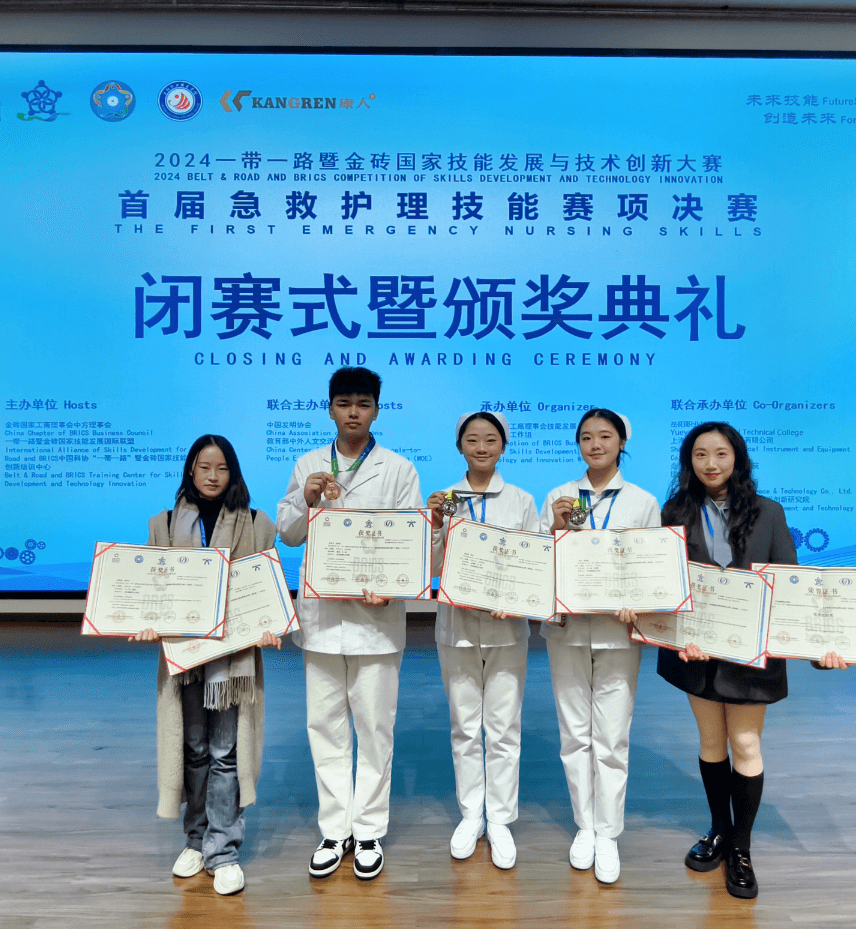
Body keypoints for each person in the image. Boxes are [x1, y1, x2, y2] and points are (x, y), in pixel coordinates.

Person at [657, 421, 846, 900]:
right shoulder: (675, 510)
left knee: (744, 743)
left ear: (737, 458)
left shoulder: (768, 512)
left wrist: (818, 651)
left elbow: (790, 584)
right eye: (700, 454)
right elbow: (666, 583)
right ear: (689, 462)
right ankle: (719, 831)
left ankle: (740, 849)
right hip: (696, 651)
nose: (711, 463)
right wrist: (678, 635)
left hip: (751, 654)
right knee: (710, 742)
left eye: (721, 453)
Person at [276, 367, 424, 881]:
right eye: (344, 403)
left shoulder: (399, 468)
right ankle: (334, 829)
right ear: (330, 409)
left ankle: (368, 831)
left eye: (363, 403)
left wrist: (394, 587)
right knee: (325, 727)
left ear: (377, 409)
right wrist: (306, 498)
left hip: (376, 621)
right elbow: (289, 533)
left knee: (375, 729)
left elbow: (410, 540)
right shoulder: (309, 464)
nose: (353, 412)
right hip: (321, 619)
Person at [131, 434, 281, 896]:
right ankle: (195, 840)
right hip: (184, 659)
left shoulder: (256, 522)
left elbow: (265, 583)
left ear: (233, 472)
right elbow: (152, 587)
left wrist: (270, 624)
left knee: (224, 752)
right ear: (190, 471)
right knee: (193, 748)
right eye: (204, 467)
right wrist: (146, 623)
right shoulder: (164, 523)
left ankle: (223, 850)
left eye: (221, 468)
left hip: (232, 661)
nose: (213, 476)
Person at [538, 408, 659, 884]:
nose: (595, 445)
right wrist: (555, 531)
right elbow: (539, 563)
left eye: (605, 436)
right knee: (574, 734)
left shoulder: (643, 502)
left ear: (621, 442)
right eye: (586, 437)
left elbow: (651, 564)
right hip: (567, 628)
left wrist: (639, 602)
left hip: (617, 632)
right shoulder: (559, 497)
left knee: (611, 735)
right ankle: (584, 826)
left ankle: (608, 832)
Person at [426, 412, 539, 870]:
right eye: (472, 440)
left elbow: (534, 563)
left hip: (506, 629)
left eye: (490, 440)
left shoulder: (522, 501)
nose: (481, 447)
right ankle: (472, 813)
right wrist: (435, 524)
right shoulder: (446, 498)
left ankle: (501, 819)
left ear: (503, 446)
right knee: (464, 726)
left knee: (504, 727)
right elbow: (433, 566)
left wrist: (516, 598)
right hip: (456, 627)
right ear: (460, 446)